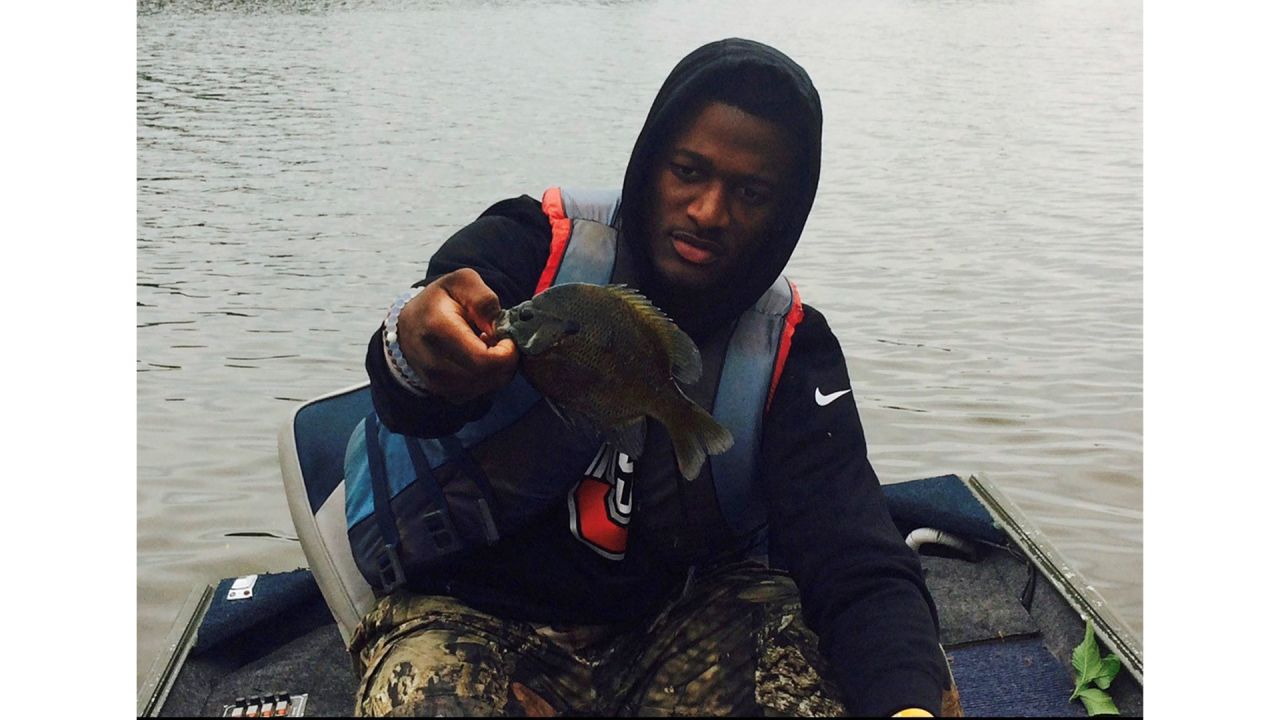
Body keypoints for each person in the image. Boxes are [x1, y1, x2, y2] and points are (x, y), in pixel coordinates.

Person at [351, 38, 955, 717]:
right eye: (688, 171)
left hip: (679, 622)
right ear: (649, 164)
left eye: (751, 193)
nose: (708, 211)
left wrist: (908, 700)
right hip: (470, 613)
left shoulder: (791, 349)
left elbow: (854, 554)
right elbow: (412, 375)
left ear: (786, 212)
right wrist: (418, 343)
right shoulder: (532, 245)